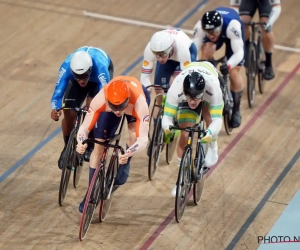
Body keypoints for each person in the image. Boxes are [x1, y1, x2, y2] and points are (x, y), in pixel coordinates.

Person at [76, 76, 150, 213]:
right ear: (108, 101)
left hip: (134, 103)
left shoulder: (140, 102)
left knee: (133, 134)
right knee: (99, 144)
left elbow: (143, 139)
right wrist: (80, 141)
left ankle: (124, 164)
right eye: (114, 107)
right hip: (113, 104)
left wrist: (129, 153)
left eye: (120, 107)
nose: (117, 111)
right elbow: (85, 127)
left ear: (126, 101)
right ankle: (90, 192)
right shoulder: (101, 98)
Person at [161, 61, 224, 196]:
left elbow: (218, 120)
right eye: (189, 97)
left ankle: (213, 148)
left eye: (196, 97)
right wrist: (167, 126)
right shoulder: (176, 88)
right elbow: (167, 116)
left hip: (211, 79)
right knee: (185, 132)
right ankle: (181, 178)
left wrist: (210, 132)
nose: (193, 101)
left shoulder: (213, 89)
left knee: (208, 117)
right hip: (190, 76)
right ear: (184, 92)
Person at [50, 46, 114, 169]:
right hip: (87, 73)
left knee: (92, 105)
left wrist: (93, 107)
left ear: (89, 70)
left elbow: (105, 95)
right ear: (72, 72)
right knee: (68, 111)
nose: (81, 80)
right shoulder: (66, 67)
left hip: (98, 80)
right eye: (77, 76)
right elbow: (57, 95)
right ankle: (67, 147)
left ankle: (90, 144)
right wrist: (56, 109)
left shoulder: (100, 68)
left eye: (84, 75)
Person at [192, 7, 245, 128]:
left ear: (220, 27)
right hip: (221, 33)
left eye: (214, 31)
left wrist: (229, 65)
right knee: (205, 51)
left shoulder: (233, 25)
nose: (211, 35)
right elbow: (193, 51)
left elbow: (239, 53)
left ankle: (236, 110)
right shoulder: (200, 27)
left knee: (233, 72)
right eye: (208, 32)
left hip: (231, 35)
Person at [140, 28, 198, 123]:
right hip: (170, 59)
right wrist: (147, 88)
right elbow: (145, 76)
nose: (160, 58)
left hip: (187, 54)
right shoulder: (150, 49)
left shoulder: (182, 49)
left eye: (162, 54)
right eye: (157, 55)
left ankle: (179, 114)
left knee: (175, 83)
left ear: (171, 47)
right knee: (159, 96)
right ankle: (157, 133)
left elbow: (187, 76)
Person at [229, 0, 281, 80]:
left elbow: (276, 7)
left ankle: (268, 63)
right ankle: (246, 48)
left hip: (265, 2)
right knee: (243, 23)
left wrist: (270, 22)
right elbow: (234, 7)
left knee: (265, 27)